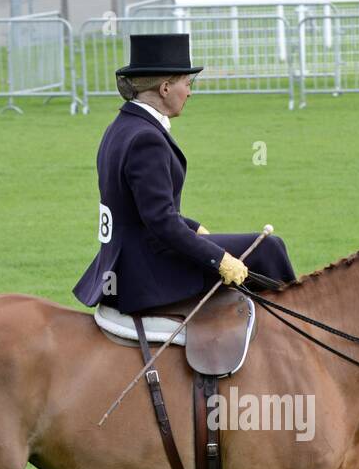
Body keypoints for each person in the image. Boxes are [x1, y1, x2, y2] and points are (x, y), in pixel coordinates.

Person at [72, 33, 295, 314]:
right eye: (187, 84)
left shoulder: (121, 125)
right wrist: (220, 260)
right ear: (165, 88)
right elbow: (161, 222)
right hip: (145, 268)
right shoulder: (145, 139)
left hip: (123, 261)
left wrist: (193, 227)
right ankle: (300, 333)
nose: (189, 92)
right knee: (268, 248)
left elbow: (142, 208)